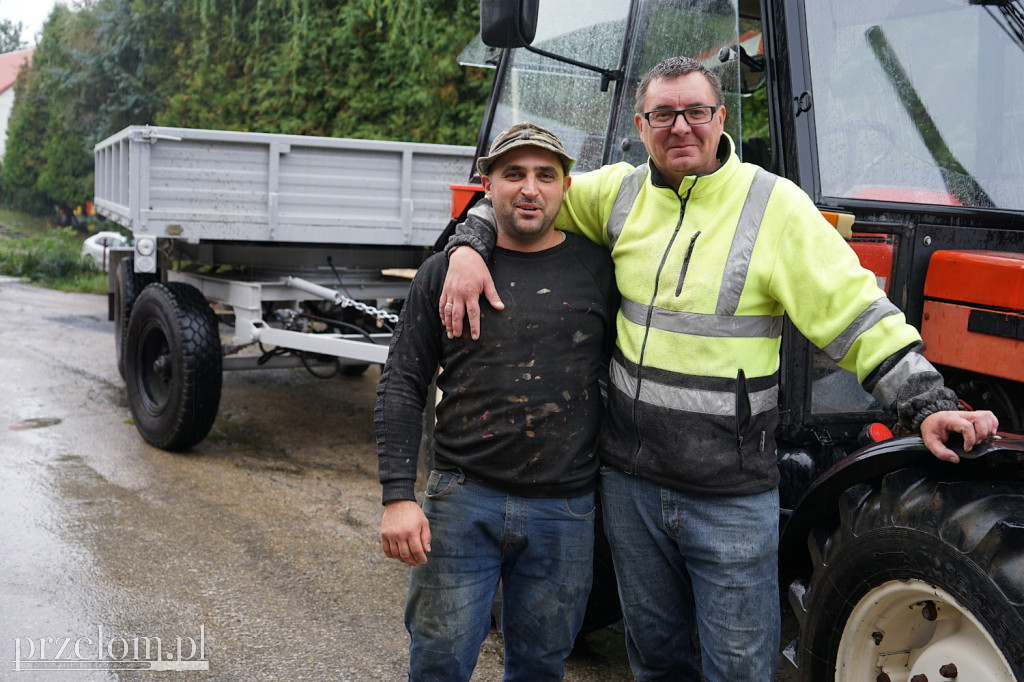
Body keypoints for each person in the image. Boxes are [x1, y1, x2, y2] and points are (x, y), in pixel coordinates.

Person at [438, 57, 999, 681]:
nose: (680, 127)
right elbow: (524, 196)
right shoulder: (617, 194)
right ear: (641, 123)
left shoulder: (775, 206)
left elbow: (855, 312)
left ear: (720, 118)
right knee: (655, 661)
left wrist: (927, 400)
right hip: (632, 488)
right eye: (663, 115)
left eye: (696, 112)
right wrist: (469, 241)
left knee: (737, 668)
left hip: (729, 497)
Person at [375, 122, 618, 682]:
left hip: (566, 510)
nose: (529, 188)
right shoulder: (443, 273)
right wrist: (396, 496)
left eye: (545, 176)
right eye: (513, 174)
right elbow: (402, 382)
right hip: (462, 501)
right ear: (488, 185)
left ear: (564, 187)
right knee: (438, 662)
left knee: (540, 666)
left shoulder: (600, 273)